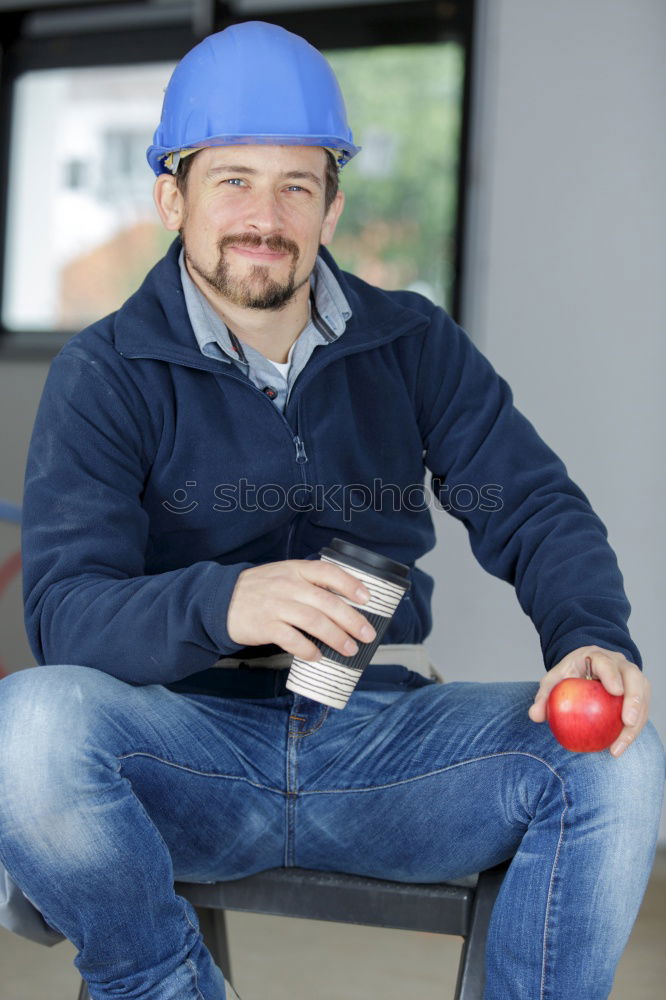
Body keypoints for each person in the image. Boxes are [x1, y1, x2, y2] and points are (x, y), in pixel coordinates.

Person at [0, 19, 663, 1000]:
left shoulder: (411, 347)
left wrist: (592, 633)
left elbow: (529, 503)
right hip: (185, 745)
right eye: (233, 180)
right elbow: (67, 614)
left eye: (295, 185)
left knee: (614, 756)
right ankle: (167, 986)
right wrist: (229, 601)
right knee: (27, 728)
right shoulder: (106, 374)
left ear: (331, 205)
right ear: (170, 195)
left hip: (380, 743)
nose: (264, 214)